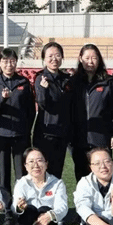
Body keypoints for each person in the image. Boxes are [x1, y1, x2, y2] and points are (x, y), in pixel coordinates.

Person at [0, 47, 33, 225]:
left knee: (22, 176)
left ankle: (20, 211)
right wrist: (3, 98)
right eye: (5, 61)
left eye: (12, 61)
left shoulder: (23, 82)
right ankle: (7, 212)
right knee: (3, 175)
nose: (9, 64)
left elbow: (30, 110)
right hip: (1, 135)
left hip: (21, 135)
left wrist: (26, 129)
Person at [12, 148, 67, 225]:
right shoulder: (21, 183)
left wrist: (50, 215)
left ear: (46, 164)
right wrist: (19, 207)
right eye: (31, 161)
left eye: (39, 160)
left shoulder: (57, 183)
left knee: (45, 209)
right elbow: (15, 205)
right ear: (25, 166)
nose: (36, 165)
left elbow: (62, 208)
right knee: (30, 209)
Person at [70, 44, 113, 182]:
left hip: (101, 139)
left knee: (103, 176)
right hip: (78, 139)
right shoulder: (73, 82)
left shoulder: (108, 82)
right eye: (87, 58)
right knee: (82, 178)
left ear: (99, 60)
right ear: (80, 59)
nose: (90, 62)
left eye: (94, 58)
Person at [32, 42, 73, 180]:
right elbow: (42, 104)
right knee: (42, 173)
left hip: (63, 133)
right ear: (44, 58)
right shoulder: (41, 78)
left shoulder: (67, 79)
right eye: (50, 56)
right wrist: (43, 90)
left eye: (57, 55)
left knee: (57, 173)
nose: (54, 59)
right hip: (46, 134)